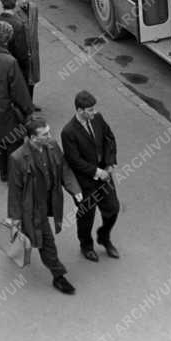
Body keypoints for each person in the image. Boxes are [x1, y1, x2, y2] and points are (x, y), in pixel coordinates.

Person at [7, 115, 82, 295]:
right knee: (45, 239)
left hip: (51, 198)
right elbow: (15, 191)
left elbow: (63, 168)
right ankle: (58, 275)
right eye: (45, 134)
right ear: (32, 138)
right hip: (33, 205)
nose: (50, 136)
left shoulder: (52, 146)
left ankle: (17, 240)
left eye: (49, 132)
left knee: (29, 232)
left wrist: (75, 190)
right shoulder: (17, 158)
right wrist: (14, 217)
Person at [60, 90, 120, 262]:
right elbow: (74, 160)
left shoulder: (98, 119)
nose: (94, 112)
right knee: (87, 216)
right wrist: (96, 172)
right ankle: (86, 245)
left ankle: (104, 236)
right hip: (85, 181)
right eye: (90, 110)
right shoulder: (68, 132)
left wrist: (109, 163)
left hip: (104, 175)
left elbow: (109, 138)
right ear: (80, 111)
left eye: (94, 109)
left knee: (113, 209)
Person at [0, 20, 33, 182]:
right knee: (15, 146)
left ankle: (3, 173)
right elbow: (20, 92)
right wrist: (28, 110)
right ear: (9, 39)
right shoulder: (10, 62)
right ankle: (15, 178)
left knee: (0, 143)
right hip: (10, 111)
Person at [0, 0, 36, 101]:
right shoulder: (18, 24)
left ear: (2, 4)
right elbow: (22, 54)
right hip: (13, 69)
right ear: (15, 3)